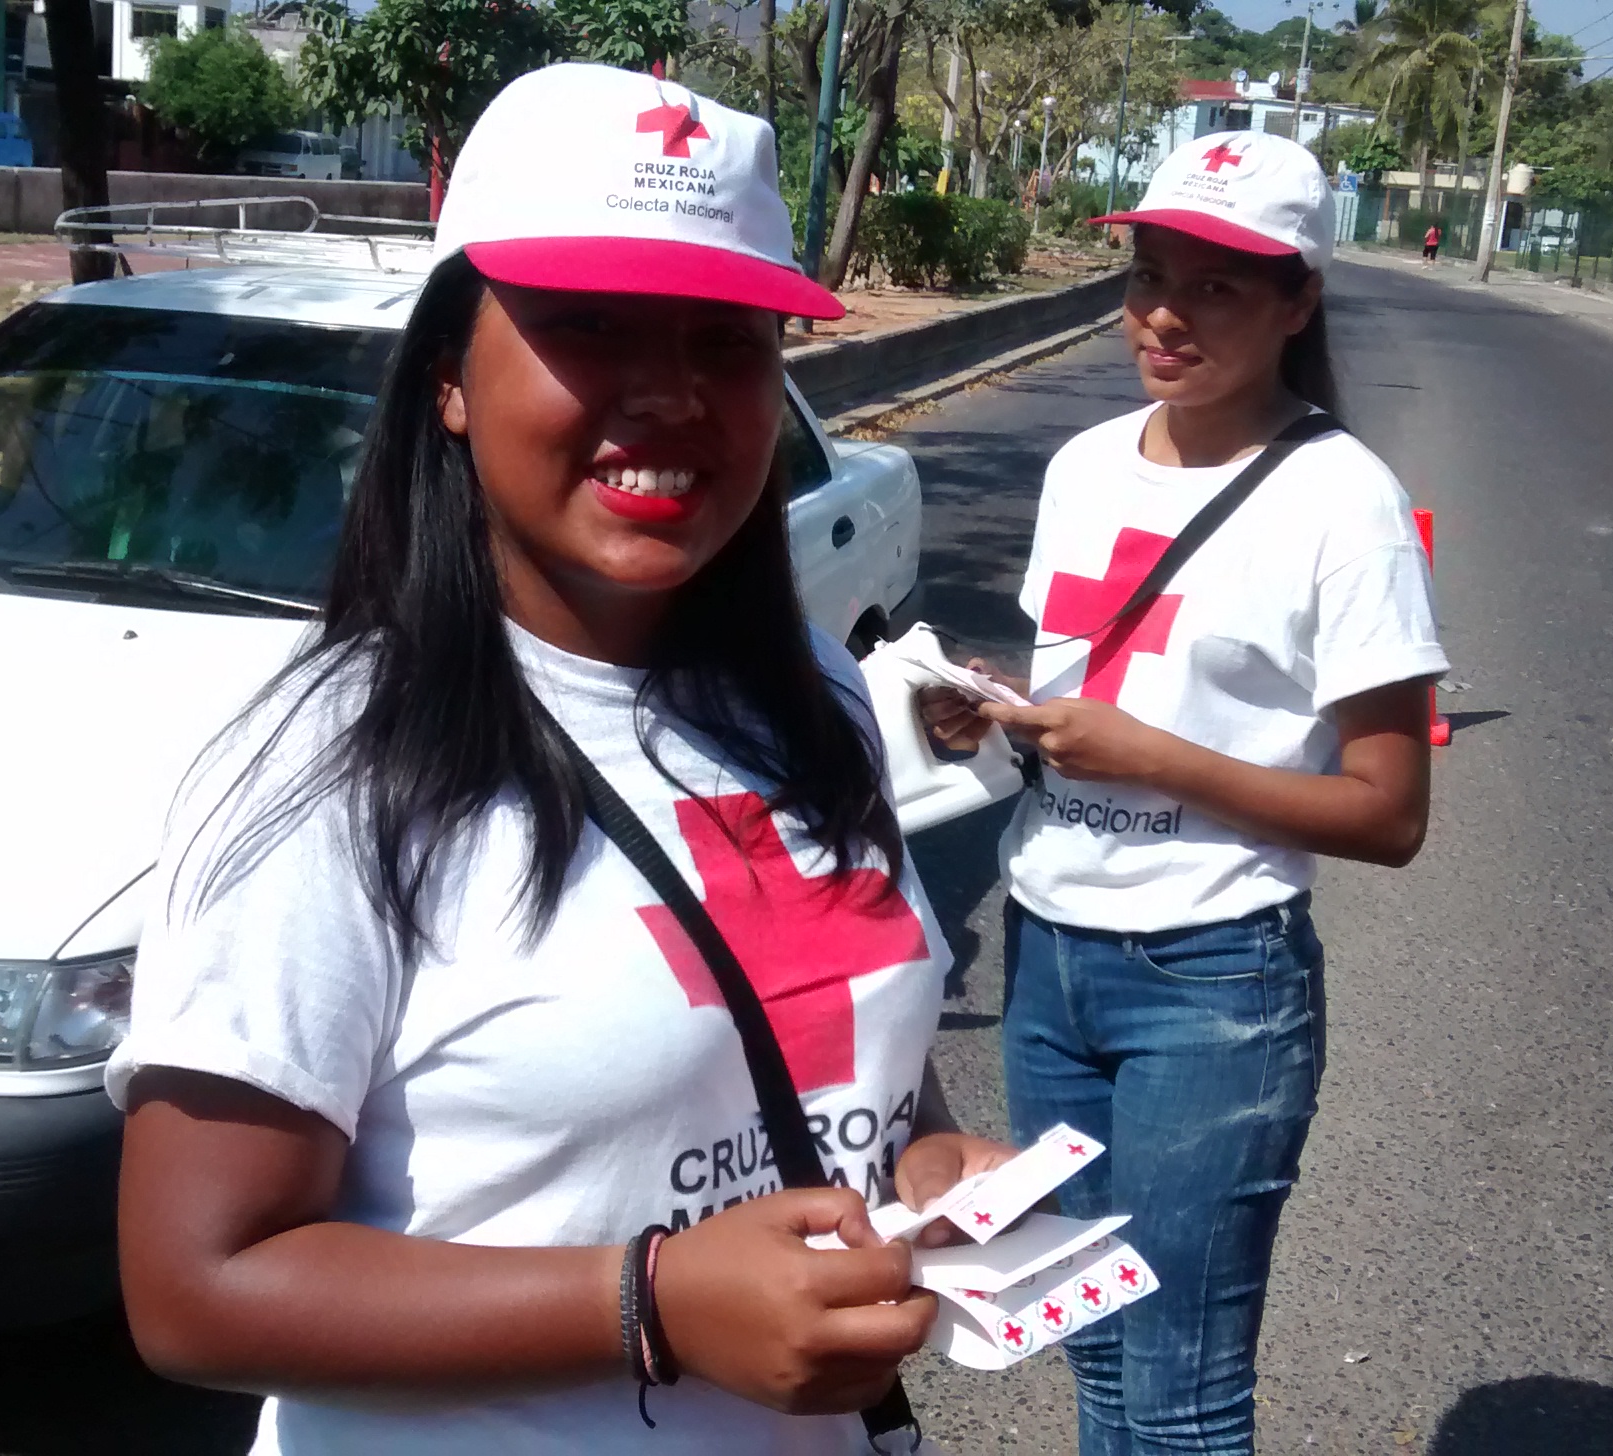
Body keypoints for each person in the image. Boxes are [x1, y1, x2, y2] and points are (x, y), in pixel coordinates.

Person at [107, 63, 1017, 1455]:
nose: (670, 395)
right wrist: (649, 1303)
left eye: (727, 341)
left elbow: (835, 1056)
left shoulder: (814, 690)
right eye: (588, 327)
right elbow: (197, 1287)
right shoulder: (324, 770)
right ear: (451, 382)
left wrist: (931, 1166)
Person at [923, 130, 1447, 1454]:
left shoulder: (1347, 503)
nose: (1165, 310)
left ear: (1297, 301)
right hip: (1049, 958)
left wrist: (1154, 760)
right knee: (1090, 1345)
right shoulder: (1083, 467)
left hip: (1210, 981)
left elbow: (1390, 812)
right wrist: (988, 715)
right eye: (1151, 273)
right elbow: (1079, 706)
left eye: (1216, 285)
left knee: (1180, 1387)